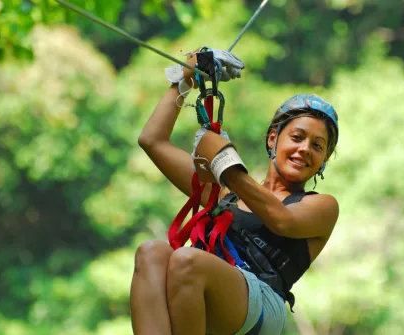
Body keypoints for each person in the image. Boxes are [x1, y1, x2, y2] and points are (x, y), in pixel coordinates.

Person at [131, 48, 339, 335]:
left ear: (323, 160)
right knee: (151, 252)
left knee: (187, 259)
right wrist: (184, 78)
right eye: (297, 137)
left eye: (317, 146)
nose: (305, 149)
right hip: (206, 288)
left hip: (262, 304)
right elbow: (152, 141)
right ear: (273, 138)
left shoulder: (322, 207)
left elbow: (281, 219)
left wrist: (225, 163)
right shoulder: (227, 194)